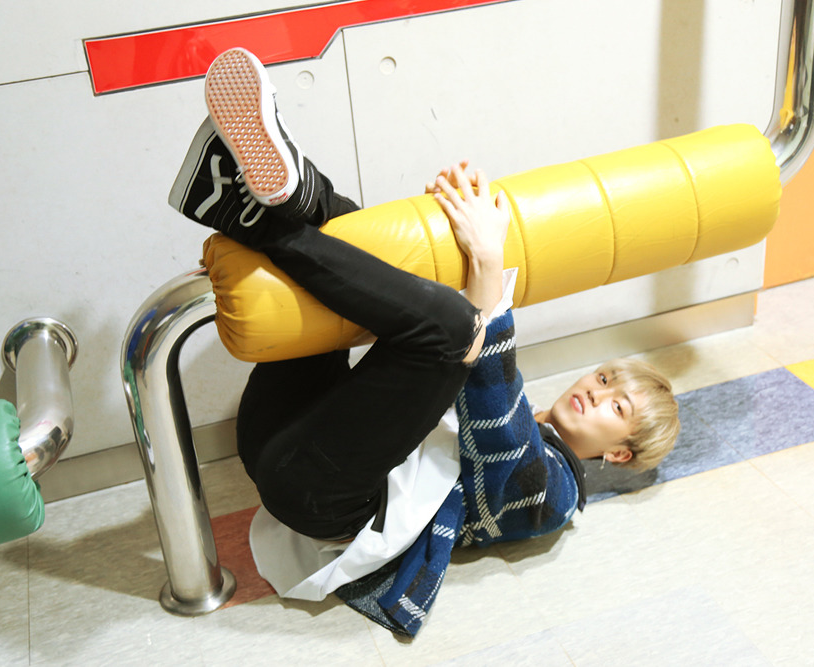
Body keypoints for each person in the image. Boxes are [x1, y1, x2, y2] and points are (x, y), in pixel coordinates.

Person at [168, 48, 680, 635]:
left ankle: (259, 218)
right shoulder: (510, 405)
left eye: (618, 406)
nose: (597, 391)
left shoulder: (556, 496)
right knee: (378, 253)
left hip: (322, 500)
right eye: (606, 378)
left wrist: (487, 261)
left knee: (457, 332)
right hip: (282, 436)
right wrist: (436, 239)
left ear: (620, 455)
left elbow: (498, 434)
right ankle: (273, 201)